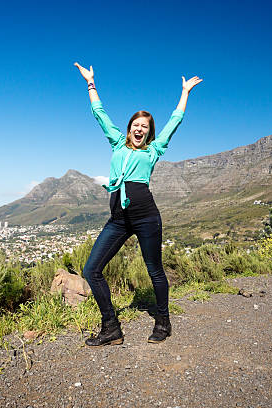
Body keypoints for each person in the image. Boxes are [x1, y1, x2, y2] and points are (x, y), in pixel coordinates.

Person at [74, 62, 202, 346]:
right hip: (118, 219)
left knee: (154, 269)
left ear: (149, 132)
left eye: (145, 126)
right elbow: (100, 114)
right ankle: (111, 328)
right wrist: (90, 83)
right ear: (130, 127)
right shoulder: (118, 143)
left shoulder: (155, 150)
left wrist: (185, 93)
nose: (139, 129)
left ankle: (163, 322)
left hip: (146, 217)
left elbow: (175, 121)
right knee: (91, 270)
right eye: (136, 125)